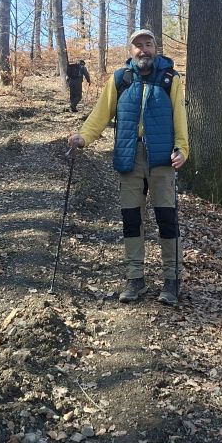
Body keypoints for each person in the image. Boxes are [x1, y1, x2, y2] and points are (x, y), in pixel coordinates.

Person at [68, 29, 189, 305]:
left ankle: (172, 280)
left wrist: (182, 149)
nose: (143, 50)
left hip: (162, 159)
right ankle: (135, 279)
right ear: (131, 50)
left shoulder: (170, 78)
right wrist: (84, 136)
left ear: (155, 48)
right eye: (138, 45)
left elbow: (180, 117)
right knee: (132, 220)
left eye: (148, 44)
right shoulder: (120, 79)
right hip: (129, 157)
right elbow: (101, 113)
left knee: (167, 220)